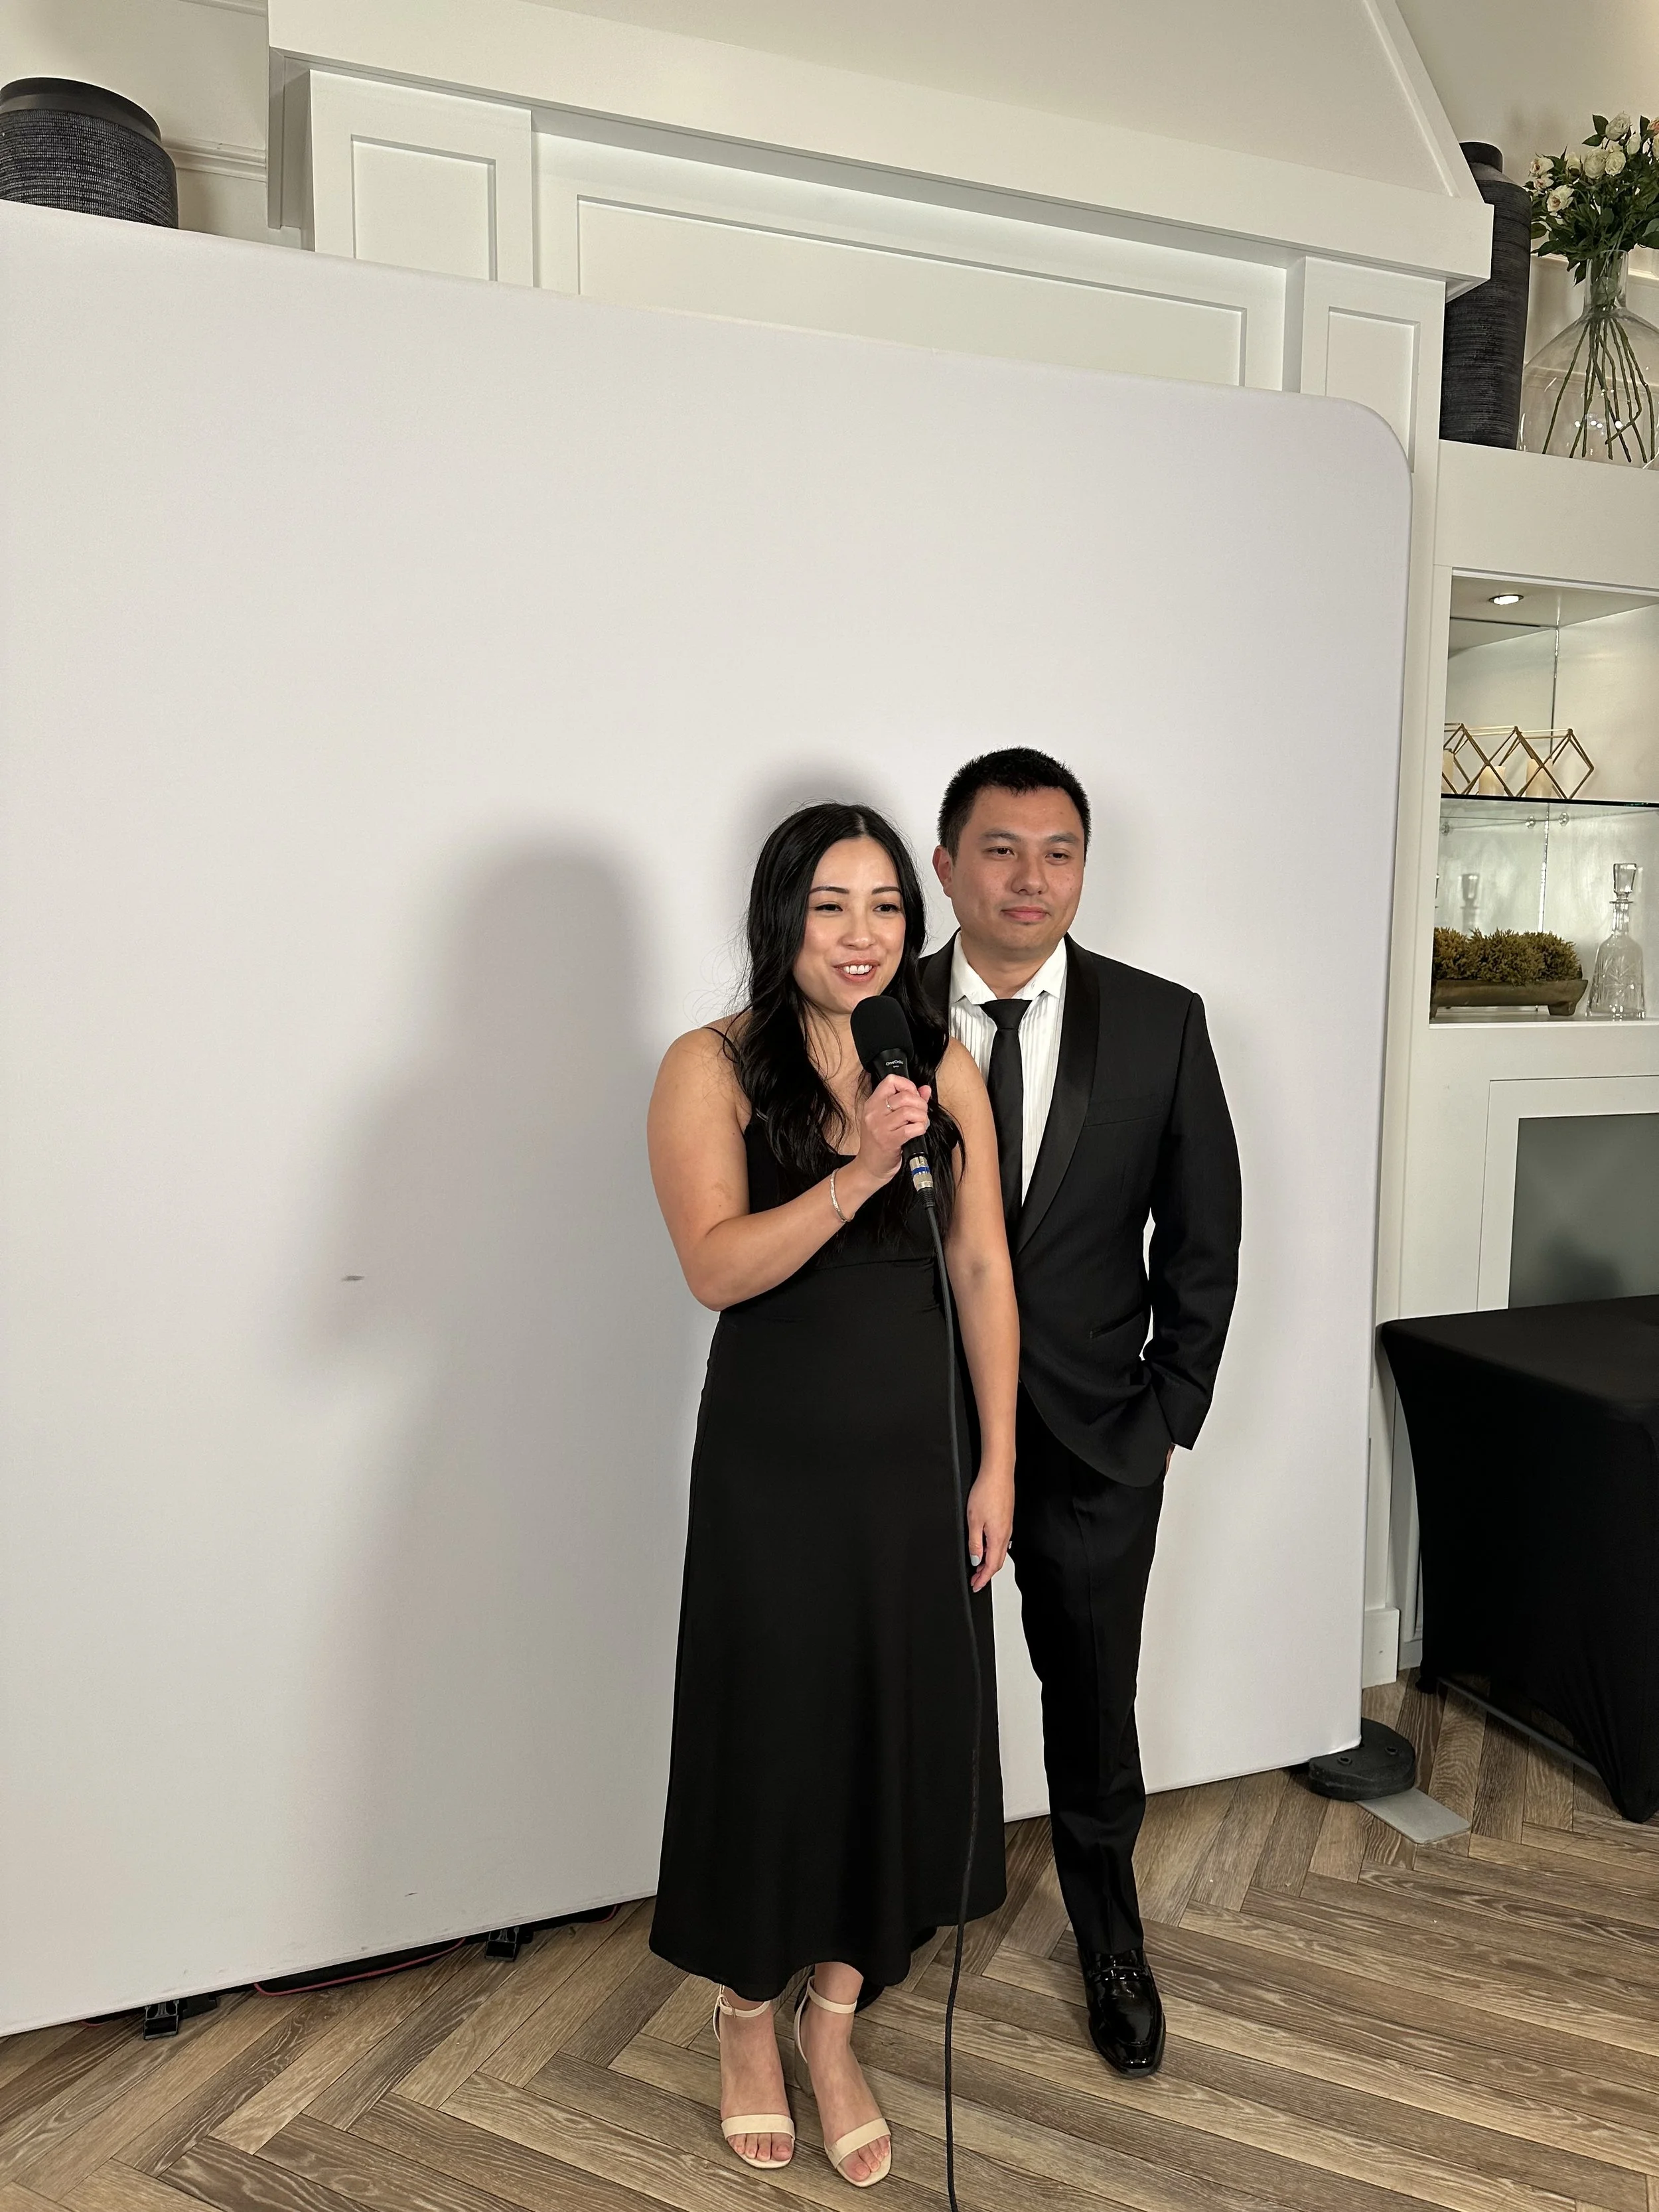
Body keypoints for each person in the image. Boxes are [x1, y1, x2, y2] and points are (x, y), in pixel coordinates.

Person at [648, 801, 1019, 2187]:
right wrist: (861, 1166)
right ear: (780, 920)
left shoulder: (936, 1059)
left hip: (917, 1468)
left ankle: (832, 2022)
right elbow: (715, 1266)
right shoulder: (712, 1065)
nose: (863, 936)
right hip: (775, 1469)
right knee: (775, 1732)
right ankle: (744, 2012)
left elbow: (981, 1269)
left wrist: (997, 1461)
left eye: (882, 907)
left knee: (891, 1734)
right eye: (830, 907)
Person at [924, 747, 1241, 2077]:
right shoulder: (872, 1020)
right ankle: (866, 1944)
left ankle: (1111, 1943)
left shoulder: (1159, 1021)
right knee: (900, 1689)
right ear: (944, 865)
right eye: (999, 848)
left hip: (1096, 1436)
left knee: (1091, 1708)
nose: (1029, 876)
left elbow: (1206, 1233)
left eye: (1057, 850)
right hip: (912, 1432)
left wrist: (1165, 1409)